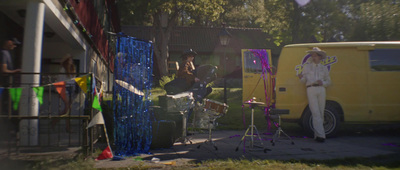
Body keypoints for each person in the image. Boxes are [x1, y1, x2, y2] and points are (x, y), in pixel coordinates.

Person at [298, 47, 331, 143]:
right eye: (312, 55)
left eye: (315, 55)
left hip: (321, 89)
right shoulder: (307, 67)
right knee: (315, 112)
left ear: (320, 57)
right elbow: (303, 80)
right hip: (311, 88)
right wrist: (301, 77)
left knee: (320, 112)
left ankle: (317, 135)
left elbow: (329, 81)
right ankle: (321, 136)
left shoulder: (324, 68)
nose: (313, 57)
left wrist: (323, 83)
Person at [52, 54, 76, 132]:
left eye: (71, 59)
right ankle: (67, 127)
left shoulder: (72, 69)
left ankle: (55, 122)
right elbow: (60, 81)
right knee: (67, 108)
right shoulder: (63, 69)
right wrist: (60, 92)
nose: (71, 61)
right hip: (64, 89)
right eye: (70, 59)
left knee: (68, 109)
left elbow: (74, 80)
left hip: (71, 89)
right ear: (67, 61)